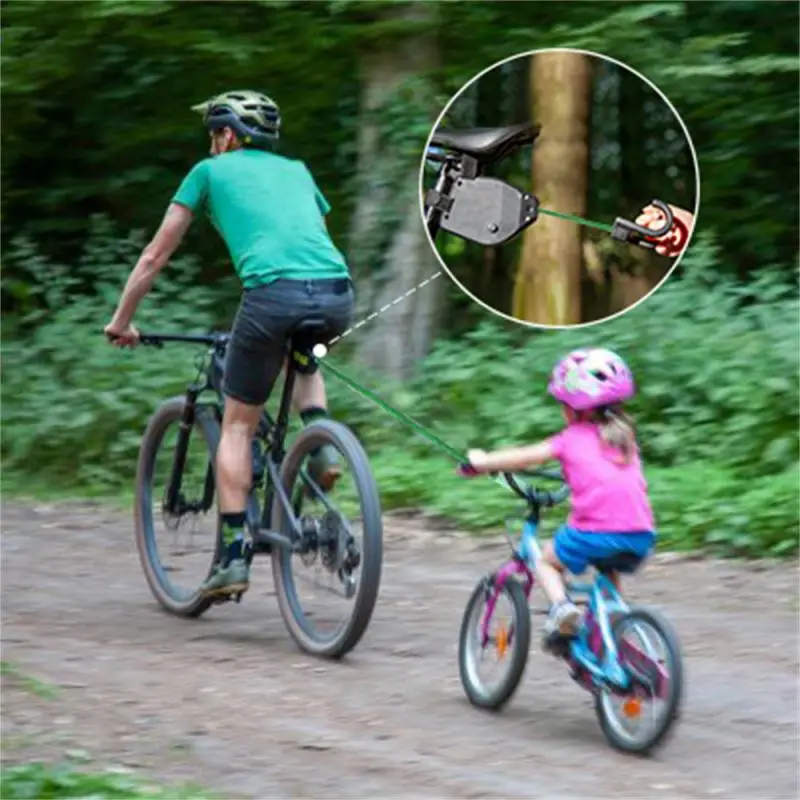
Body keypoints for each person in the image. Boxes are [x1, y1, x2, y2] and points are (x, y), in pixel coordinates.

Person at [104, 90, 354, 599]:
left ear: (227, 135)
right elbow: (312, 242)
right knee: (304, 360)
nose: (211, 144)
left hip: (272, 297)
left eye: (213, 134)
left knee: (237, 426)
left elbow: (154, 256)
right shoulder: (298, 171)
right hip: (336, 293)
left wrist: (121, 320)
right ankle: (322, 447)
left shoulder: (208, 172)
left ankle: (234, 557)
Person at [461, 348, 655, 645]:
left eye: (563, 404)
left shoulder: (569, 439)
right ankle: (614, 630)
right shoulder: (625, 438)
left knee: (546, 562)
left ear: (574, 408)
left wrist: (483, 461)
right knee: (608, 567)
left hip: (595, 534)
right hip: (641, 535)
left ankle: (563, 609)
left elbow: (526, 457)